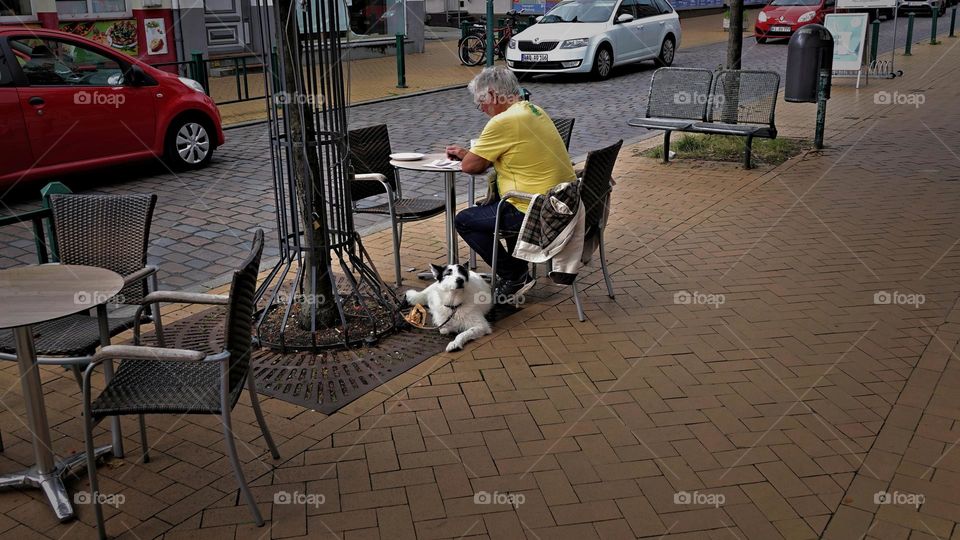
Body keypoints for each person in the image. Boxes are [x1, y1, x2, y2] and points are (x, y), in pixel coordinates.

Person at [446, 67, 576, 301]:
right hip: (562, 201)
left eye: (481, 103)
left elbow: (470, 167)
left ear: (493, 96)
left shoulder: (504, 121)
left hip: (537, 210)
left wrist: (468, 157)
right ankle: (518, 272)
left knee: (465, 220)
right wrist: (470, 154)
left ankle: (515, 275)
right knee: (500, 204)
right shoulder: (532, 109)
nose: (482, 109)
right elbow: (508, 152)